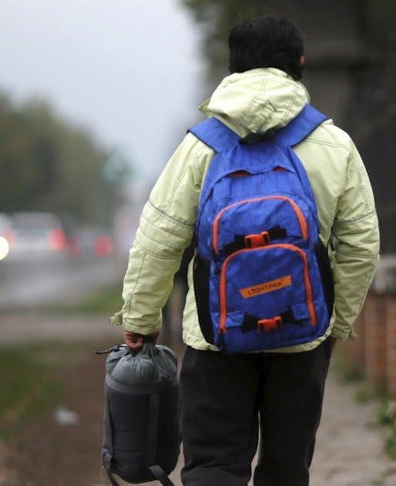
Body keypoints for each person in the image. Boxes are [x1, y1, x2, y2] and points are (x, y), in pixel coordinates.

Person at [109, 15, 380, 486]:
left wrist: (140, 318)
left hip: (215, 333)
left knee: (214, 463)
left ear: (232, 68)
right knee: (286, 466)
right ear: (300, 64)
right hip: (301, 334)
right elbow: (361, 245)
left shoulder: (201, 146)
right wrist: (335, 323)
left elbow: (158, 238)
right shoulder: (333, 144)